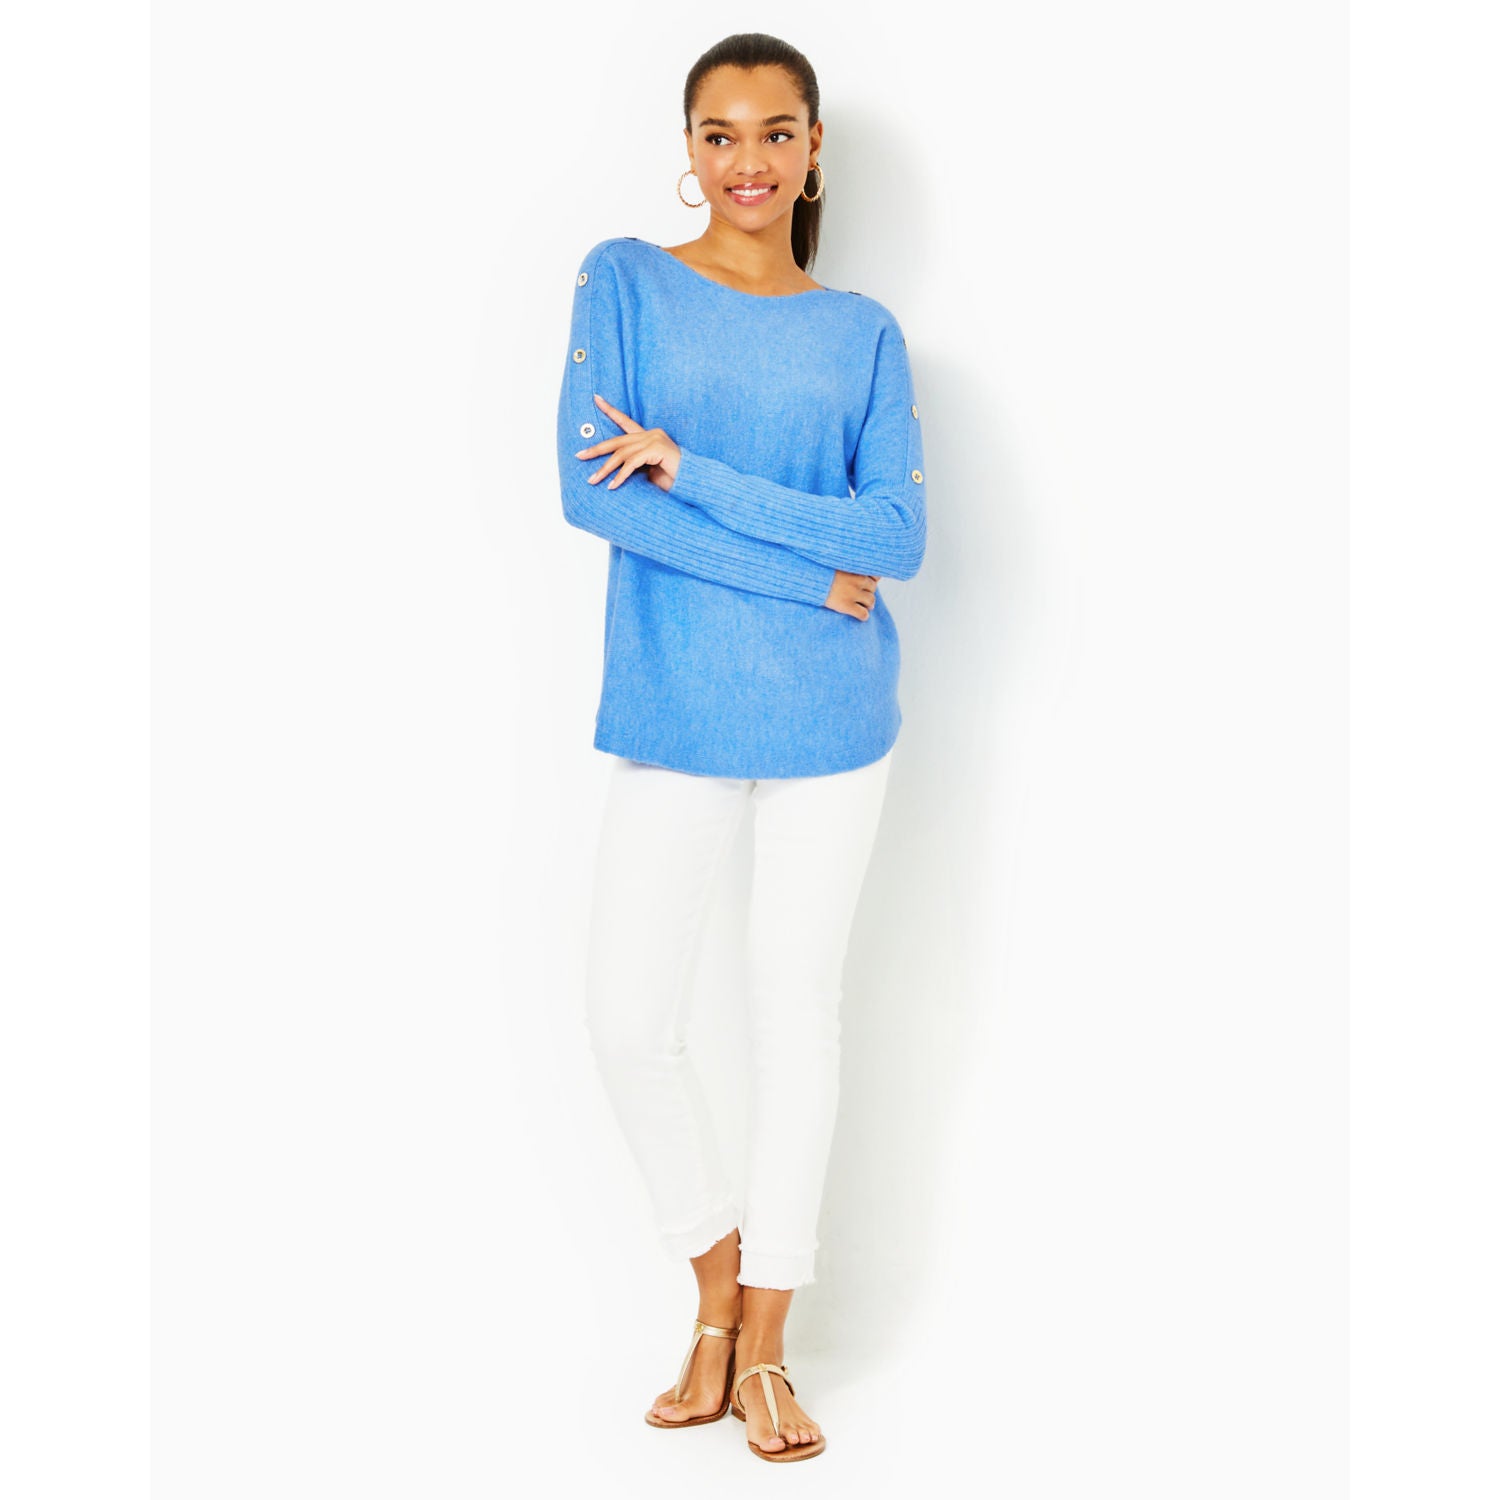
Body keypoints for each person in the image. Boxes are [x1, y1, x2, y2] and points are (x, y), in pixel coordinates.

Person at [554, 31, 928, 1464]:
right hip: (678, 706)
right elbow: (596, 498)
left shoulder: (862, 332)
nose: (748, 161)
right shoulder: (623, 283)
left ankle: (763, 1342)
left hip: (836, 719)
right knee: (627, 1020)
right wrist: (804, 571)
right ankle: (713, 1285)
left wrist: (694, 469)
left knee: (794, 1017)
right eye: (721, 134)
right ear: (689, 149)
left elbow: (895, 538)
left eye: (777, 133)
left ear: (815, 149)